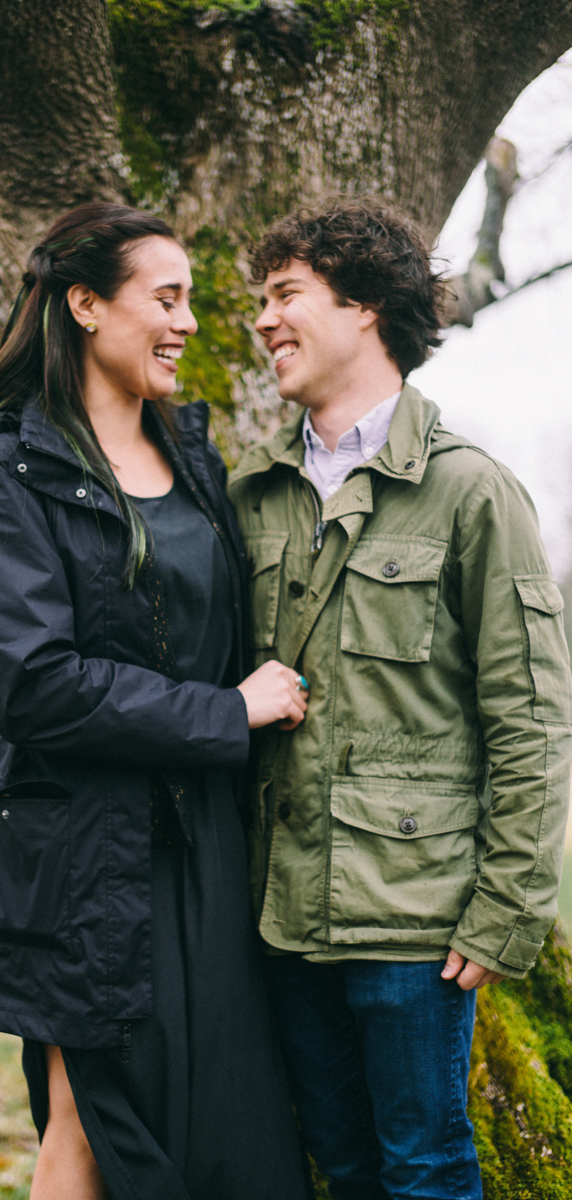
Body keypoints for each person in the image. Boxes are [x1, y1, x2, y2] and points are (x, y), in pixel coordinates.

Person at [0, 202, 311, 1200]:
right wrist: (224, 716)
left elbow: (212, 630)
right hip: (80, 856)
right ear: (86, 305)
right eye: (167, 297)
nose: (188, 321)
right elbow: (32, 682)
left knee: (225, 1129)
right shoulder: (11, 467)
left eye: (190, 299)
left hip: (208, 848)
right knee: (95, 1122)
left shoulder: (192, 458)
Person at [227, 197, 572, 1200]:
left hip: (416, 928)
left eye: (285, 294)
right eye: (259, 299)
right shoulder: (252, 494)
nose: (261, 320)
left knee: (424, 1170)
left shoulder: (472, 493)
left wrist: (506, 908)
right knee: (336, 1166)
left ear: (366, 305)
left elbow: (530, 717)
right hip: (279, 918)